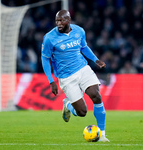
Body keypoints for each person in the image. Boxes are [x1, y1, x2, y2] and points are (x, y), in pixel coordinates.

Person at [41, 10, 109, 142]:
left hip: (83, 69)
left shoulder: (79, 31)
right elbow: (45, 59)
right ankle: (68, 105)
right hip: (66, 77)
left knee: (96, 94)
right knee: (82, 112)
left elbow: (84, 48)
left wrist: (96, 60)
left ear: (69, 20)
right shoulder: (49, 38)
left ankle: (102, 135)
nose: (59, 23)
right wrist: (51, 81)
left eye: (61, 20)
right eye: (57, 21)